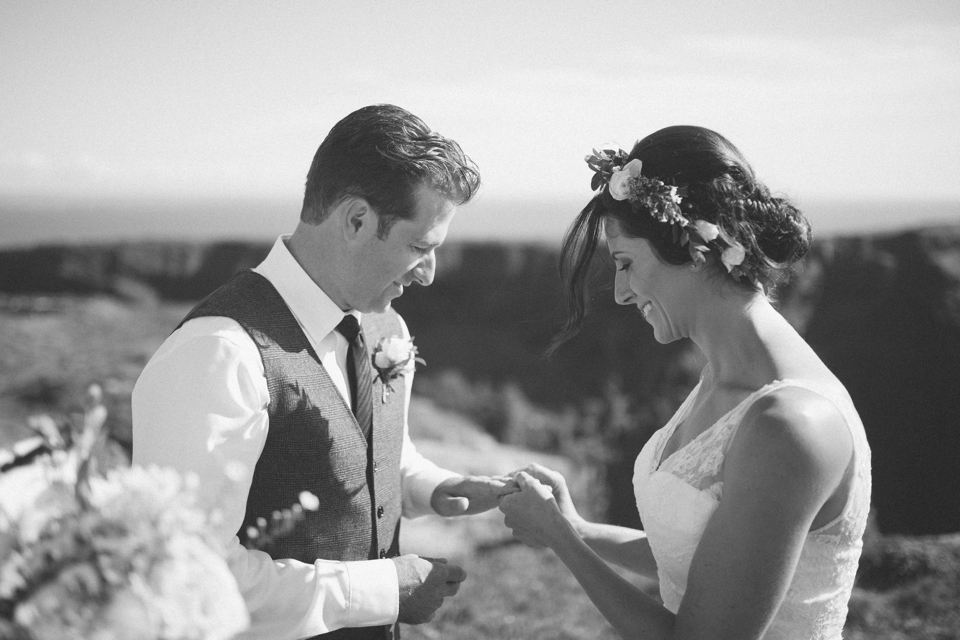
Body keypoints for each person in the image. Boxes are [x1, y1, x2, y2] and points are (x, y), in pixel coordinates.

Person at [132, 104, 517, 640]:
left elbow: (371, 449)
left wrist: (435, 487)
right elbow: (187, 574)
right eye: (420, 247)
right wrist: (384, 591)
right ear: (356, 220)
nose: (430, 274)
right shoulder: (218, 355)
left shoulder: (387, 330)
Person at [499, 126, 871, 639]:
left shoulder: (791, 425)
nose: (623, 294)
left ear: (692, 245)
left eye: (626, 264)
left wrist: (563, 540)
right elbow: (701, 559)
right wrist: (580, 528)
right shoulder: (721, 379)